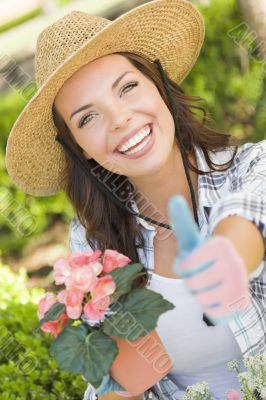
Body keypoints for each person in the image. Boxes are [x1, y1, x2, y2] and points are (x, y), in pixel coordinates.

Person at [5, 0, 266, 399]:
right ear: (80, 148)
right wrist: (119, 386)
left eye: (127, 87)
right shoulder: (93, 247)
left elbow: (250, 212)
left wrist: (229, 254)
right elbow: (110, 387)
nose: (120, 118)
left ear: (158, 84)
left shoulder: (253, 166)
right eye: (87, 117)